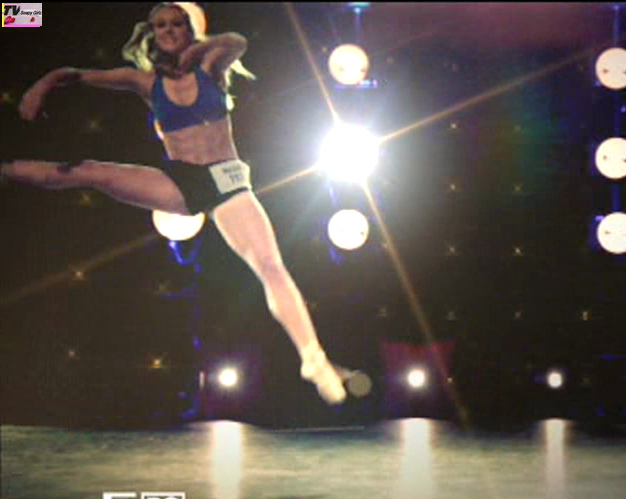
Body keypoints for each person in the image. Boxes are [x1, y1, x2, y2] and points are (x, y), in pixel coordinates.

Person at [0, 2, 361, 406]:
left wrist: (198, 51)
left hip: (225, 181)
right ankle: (7, 171)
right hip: (179, 182)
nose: (169, 31)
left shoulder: (211, 68)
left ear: (189, 30)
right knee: (88, 171)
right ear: (153, 34)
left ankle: (313, 359)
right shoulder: (143, 82)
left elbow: (237, 41)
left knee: (271, 266)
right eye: (161, 26)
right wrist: (43, 84)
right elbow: (77, 75)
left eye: (176, 24)